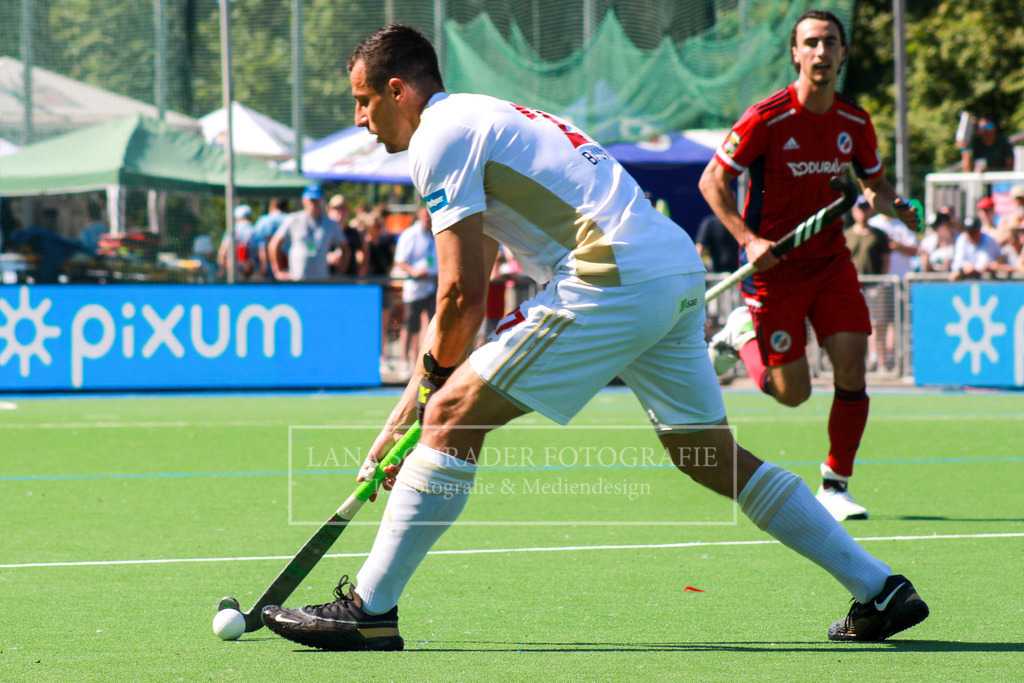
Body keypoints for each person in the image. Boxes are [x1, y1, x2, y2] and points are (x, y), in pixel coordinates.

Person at [260, 23, 928, 651]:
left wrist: (414, 414)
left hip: (608, 274)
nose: (359, 120)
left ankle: (371, 611)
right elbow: (476, 279)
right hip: (667, 263)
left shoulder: (439, 137)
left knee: (452, 416)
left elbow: (460, 300)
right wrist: (411, 409)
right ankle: (879, 587)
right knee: (707, 454)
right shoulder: (483, 118)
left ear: (398, 90)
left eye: (363, 101)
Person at [698, 11, 920, 522]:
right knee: (792, 394)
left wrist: (896, 206)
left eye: (831, 43)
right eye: (812, 43)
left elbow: (873, 186)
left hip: (829, 262)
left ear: (843, 54)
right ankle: (740, 338)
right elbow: (713, 181)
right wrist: (748, 238)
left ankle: (835, 483)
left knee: (851, 361)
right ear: (796, 54)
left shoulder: (854, 122)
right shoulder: (766, 117)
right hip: (772, 268)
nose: (821, 52)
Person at [844, 198, 892, 372]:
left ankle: (880, 362)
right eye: (860, 209)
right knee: (851, 325)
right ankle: (854, 362)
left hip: (873, 286)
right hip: (852, 287)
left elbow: (886, 259)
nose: (863, 213)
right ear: (854, 211)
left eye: (866, 209)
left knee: (878, 324)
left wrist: (881, 280)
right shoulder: (847, 234)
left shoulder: (878, 235)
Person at [268, 184, 347, 282]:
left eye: (316, 200)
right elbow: (274, 243)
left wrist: (340, 272)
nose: (313, 204)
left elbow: (345, 248)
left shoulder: (331, 224)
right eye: (311, 200)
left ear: (322, 201)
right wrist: (277, 270)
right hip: (297, 279)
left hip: (321, 280)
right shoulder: (293, 219)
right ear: (304, 200)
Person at [392, 205, 438, 371]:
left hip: (433, 286)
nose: (428, 218)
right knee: (410, 326)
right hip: (415, 287)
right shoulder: (410, 235)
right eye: (426, 214)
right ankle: (404, 362)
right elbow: (400, 260)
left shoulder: (436, 233)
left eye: (430, 214)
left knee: (431, 326)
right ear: (419, 215)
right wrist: (414, 271)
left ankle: (420, 361)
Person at [949, 216, 1004, 281]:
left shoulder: (989, 240)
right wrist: (964, 266)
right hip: (968, 278)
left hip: (988, 280)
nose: (972, 235)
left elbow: (986, 263)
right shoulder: (962, 239)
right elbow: (957, 264)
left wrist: (974, 268)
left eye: (974, 231)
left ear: (979, 230)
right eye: (969, 232)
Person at [251, 198, 291, 281]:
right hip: (290, 265)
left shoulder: (263, 221)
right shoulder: (290, 219)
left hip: (269, 266)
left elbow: (261, 246)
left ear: (273, 205)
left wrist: (263, 267)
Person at [217, 204, 256, 280]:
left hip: (234, 270)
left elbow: (223, 251)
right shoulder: (254, 230)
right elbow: (262, 252)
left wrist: (221, 268)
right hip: (251, 270)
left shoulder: (232, 230)